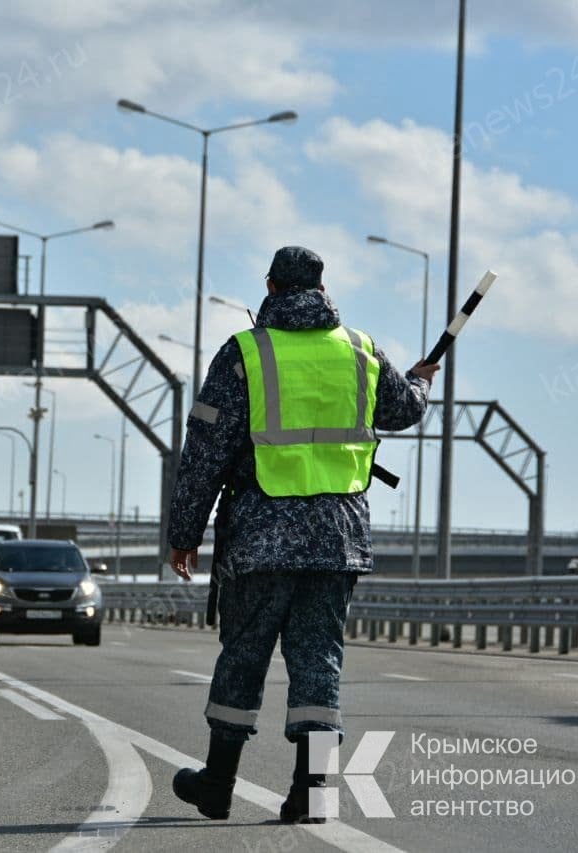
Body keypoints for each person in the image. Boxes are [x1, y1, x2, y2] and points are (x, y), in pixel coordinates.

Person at [168, 246, 438, 823]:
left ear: (270, 285)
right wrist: (419, 383)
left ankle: (217, 785)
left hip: (262, 538)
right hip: (336, 540)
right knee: (319, 662)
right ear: (322, 286)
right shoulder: (361, 351)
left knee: (243, 655)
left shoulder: (245, 353)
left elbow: (205, 452)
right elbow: (401, 409)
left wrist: (184, 532)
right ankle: (311, 795)